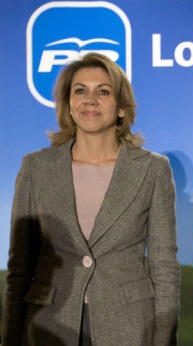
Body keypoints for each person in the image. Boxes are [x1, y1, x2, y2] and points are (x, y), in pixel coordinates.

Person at [2, 53, 180, 345]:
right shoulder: (36, 167)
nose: (90, 99)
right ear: (68, 104)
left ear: (121, 108)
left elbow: (164, 267)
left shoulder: (153, 169)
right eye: (80, 90)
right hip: (49, 325)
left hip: (129, 326)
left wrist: (163, 339)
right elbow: (20, 266)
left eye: (104, 91)